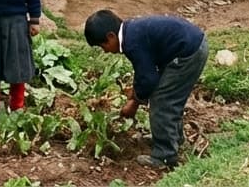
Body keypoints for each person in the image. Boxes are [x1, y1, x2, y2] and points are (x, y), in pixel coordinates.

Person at [84, 10, 208, 169]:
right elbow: (144, 69)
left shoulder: (132, 42)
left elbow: (149, 79)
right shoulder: (131, 31)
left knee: (163, 101)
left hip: (188, 53)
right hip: (192, 45)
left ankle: (165, 156)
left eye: (103, 46)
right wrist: (136, 91)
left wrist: (134, 103)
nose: (106, 51)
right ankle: (174, 140)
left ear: (111, 36)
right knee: (169, 99)